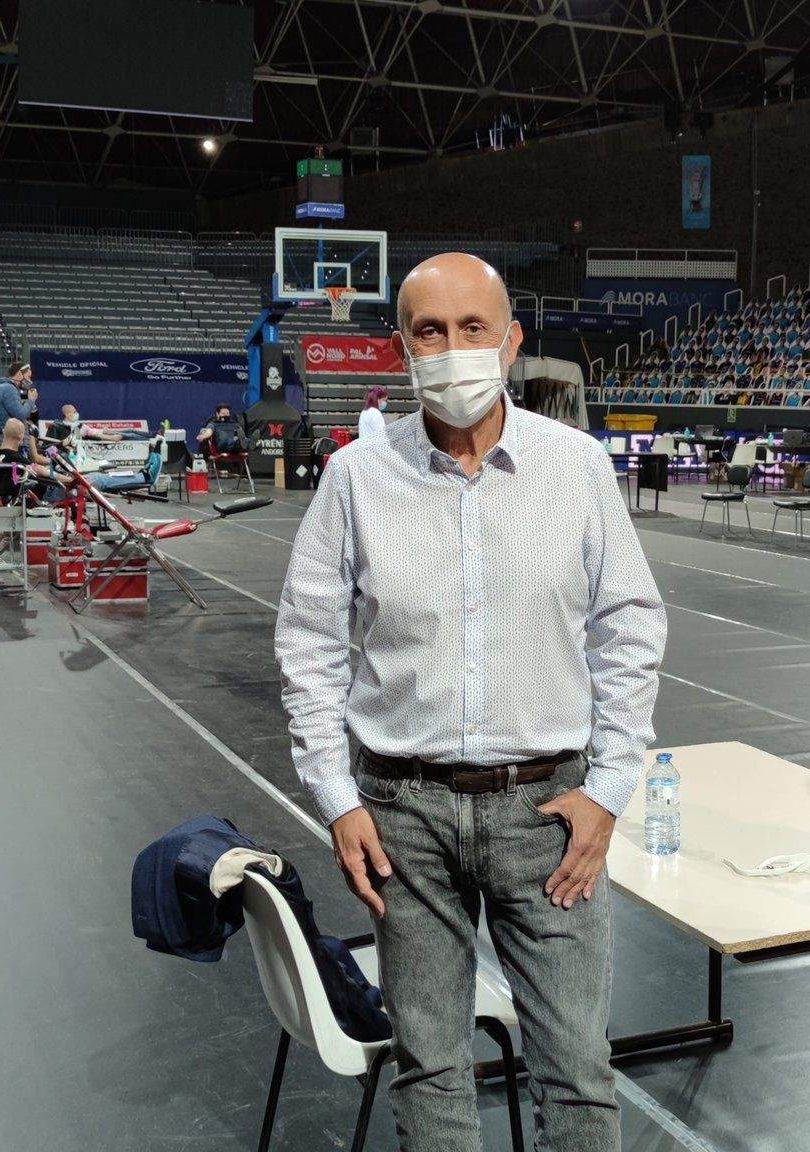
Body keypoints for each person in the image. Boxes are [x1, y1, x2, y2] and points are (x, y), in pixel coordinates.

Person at [276, 252, 665, 1152]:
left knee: (575, 1068)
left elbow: (632, 627)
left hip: (548, 812)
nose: (453, 349)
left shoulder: (575, 469)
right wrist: (337, 799)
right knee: (431, 1066)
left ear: (512, 340)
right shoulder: (355, 480)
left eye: (473, 328)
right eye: (430, 332)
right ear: (402, 350)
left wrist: (609, 788)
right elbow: (306, 640)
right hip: (400, 815)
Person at [0, 361, 32, 433]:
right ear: (20, 374)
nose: (29, 381)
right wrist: (31, 400)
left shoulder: (4, 387)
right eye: (28, 377)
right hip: (11, 438)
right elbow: (21, 415)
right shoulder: (9, 388)